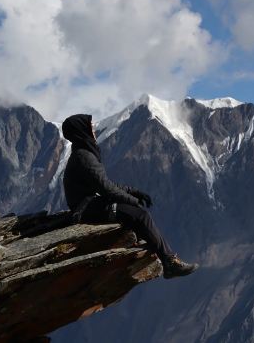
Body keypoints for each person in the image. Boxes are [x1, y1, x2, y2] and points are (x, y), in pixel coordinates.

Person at [62, 113, 199, 279]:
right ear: (82, 130)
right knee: (140, 215)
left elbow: (104, 184)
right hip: (87, 209)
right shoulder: (84, 157)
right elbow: (107, 189)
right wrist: (133, 201)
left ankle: (165, 257)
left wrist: (133, 191)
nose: (94, 130)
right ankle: (169, 262)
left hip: (87, 205)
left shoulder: (82, 153)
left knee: (135, 213)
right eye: (90, 127)